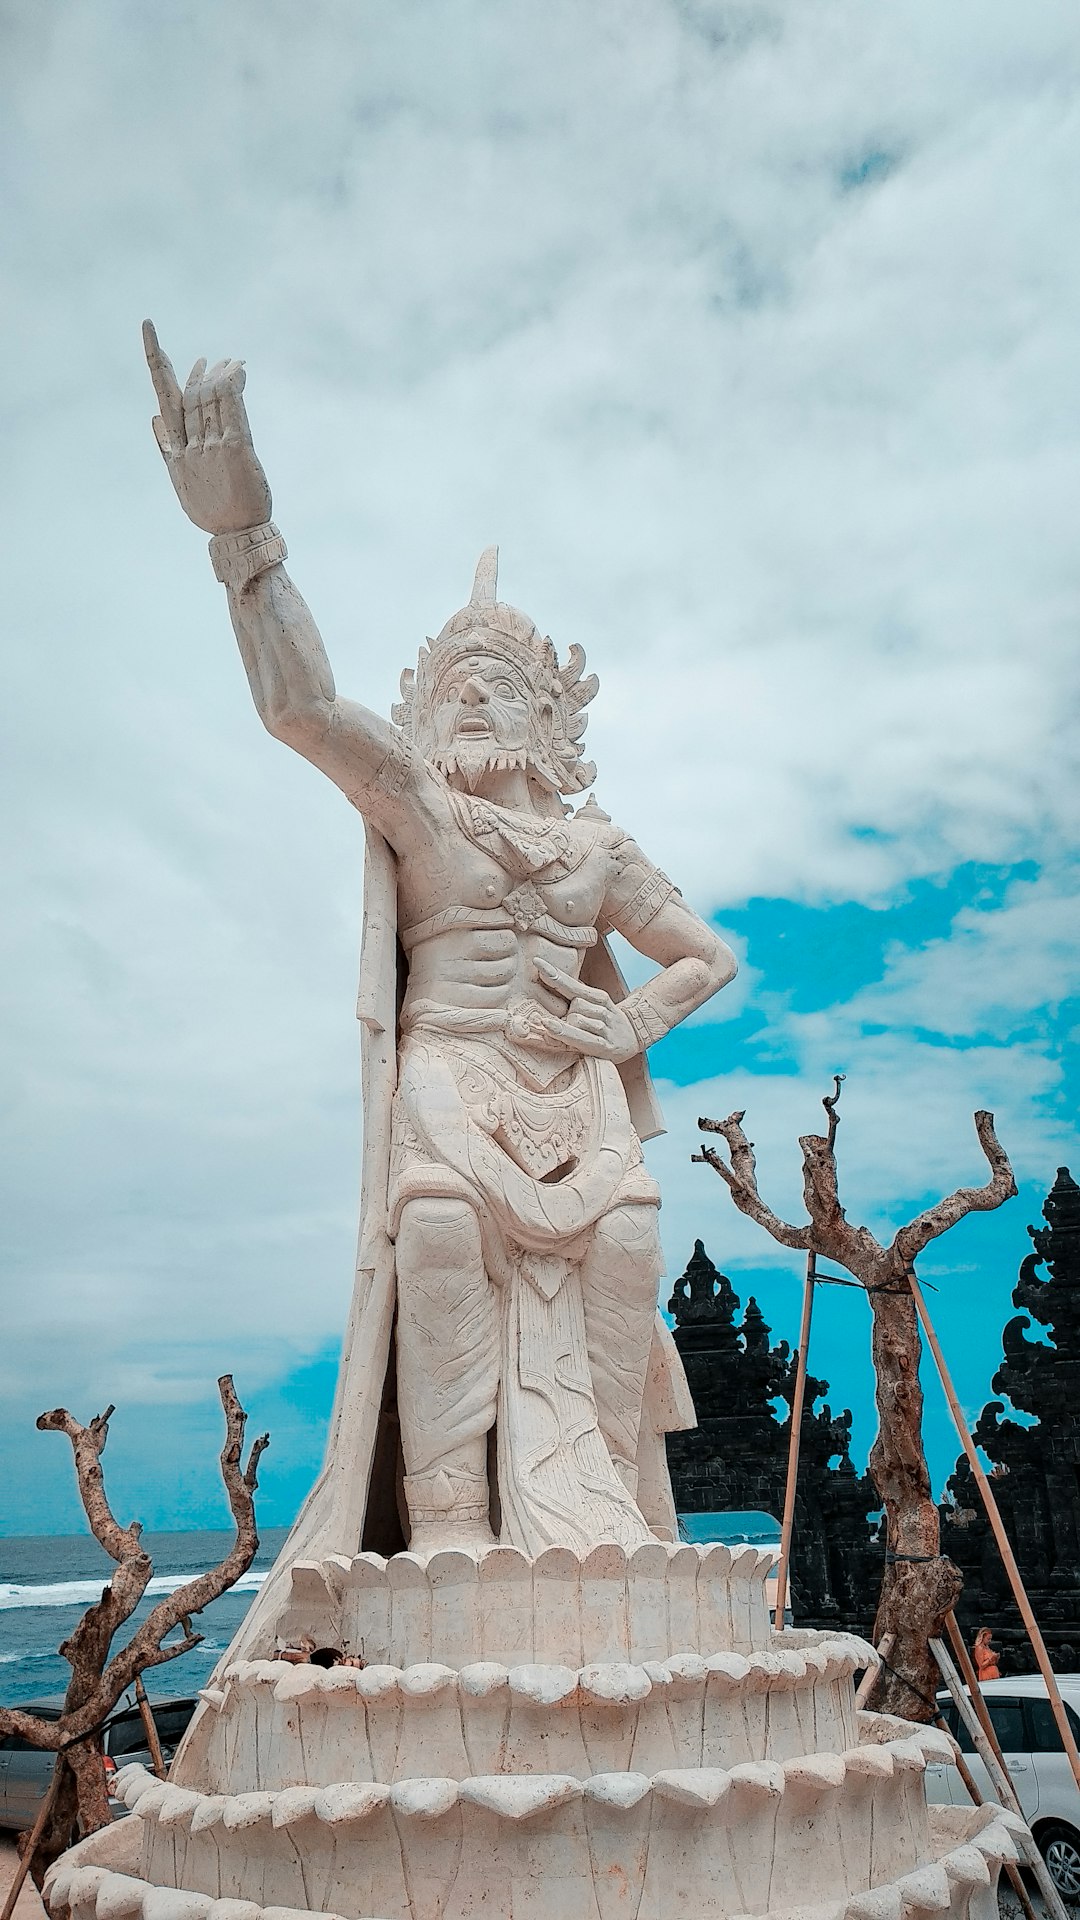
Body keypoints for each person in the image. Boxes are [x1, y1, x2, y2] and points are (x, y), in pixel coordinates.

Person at [143, 324, 737, 1558]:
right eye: (456, 676)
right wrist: (241, 543)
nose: (474, 692)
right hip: (450, 1072)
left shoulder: (597, 851)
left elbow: (710, 954)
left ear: (550, 717)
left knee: (627, 1237)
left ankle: (607, 1512)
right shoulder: (419, 805)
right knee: (441, 1234)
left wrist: (625, 1024)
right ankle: (455, 1522)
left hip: (577, 1092)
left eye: (500, 679)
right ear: (423, 705)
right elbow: (301, 708)